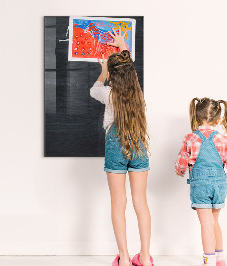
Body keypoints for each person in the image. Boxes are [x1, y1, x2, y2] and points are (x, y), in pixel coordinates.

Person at [90, 28, 153, 266]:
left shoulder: (108, 94)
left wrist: (104, 70)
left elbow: (93, 89)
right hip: (138, 145)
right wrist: (123, 46)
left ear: (113, 77)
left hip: (116, 147)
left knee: (119, 203)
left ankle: (125, 258)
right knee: (141, 202)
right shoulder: (137, 93)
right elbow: (129, 71)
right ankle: (145, 257)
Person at [175, 98, 227, 266]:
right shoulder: (223, 139)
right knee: (214, 222)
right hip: (219, 185)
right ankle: (220, 260)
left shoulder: (190, 138)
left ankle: (209, 261)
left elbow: (180, 164)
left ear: (196, 117)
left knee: (206, 224)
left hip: (200, 186)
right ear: (218, 120)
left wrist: (180, 171)